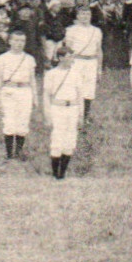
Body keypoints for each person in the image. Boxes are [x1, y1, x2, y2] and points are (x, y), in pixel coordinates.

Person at [0, 29, 36, 160]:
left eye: (22, 41)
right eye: (16, 40)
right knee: (9, 122)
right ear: (10, 41)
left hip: (25, 91)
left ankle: (18, 152)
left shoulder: (29, 59)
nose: (19, 43)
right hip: (9, 91)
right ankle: (9, 154)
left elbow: (33, 80)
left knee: (23, 122)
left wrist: (35, 97)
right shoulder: (2, 59)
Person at [44, 46, 81, 180]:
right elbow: (46, 95)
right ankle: (55, 173)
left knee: (70, 139)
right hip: (57, 108)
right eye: (68, 57)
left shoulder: (76, 73)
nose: (71, 59)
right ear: (60, 58)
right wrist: (47, 114)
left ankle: (62, 173)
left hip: (72, 108)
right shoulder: (51, 74)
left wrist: (80, 114)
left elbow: (79, 95)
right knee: (57, 139)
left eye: (72, 56)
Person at [62, 4, 103, 123]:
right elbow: (68, 49)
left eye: (87, 14)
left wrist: (99, 67)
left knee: (89, 90)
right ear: (78, 16)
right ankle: (74, 115)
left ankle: (85, 116)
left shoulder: (96, 31)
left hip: (92, 61)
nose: (85, 16)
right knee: (75, 87)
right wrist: (67, 64)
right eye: (82, 14)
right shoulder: (71, 30)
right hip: (77, 61)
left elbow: (99, 50)